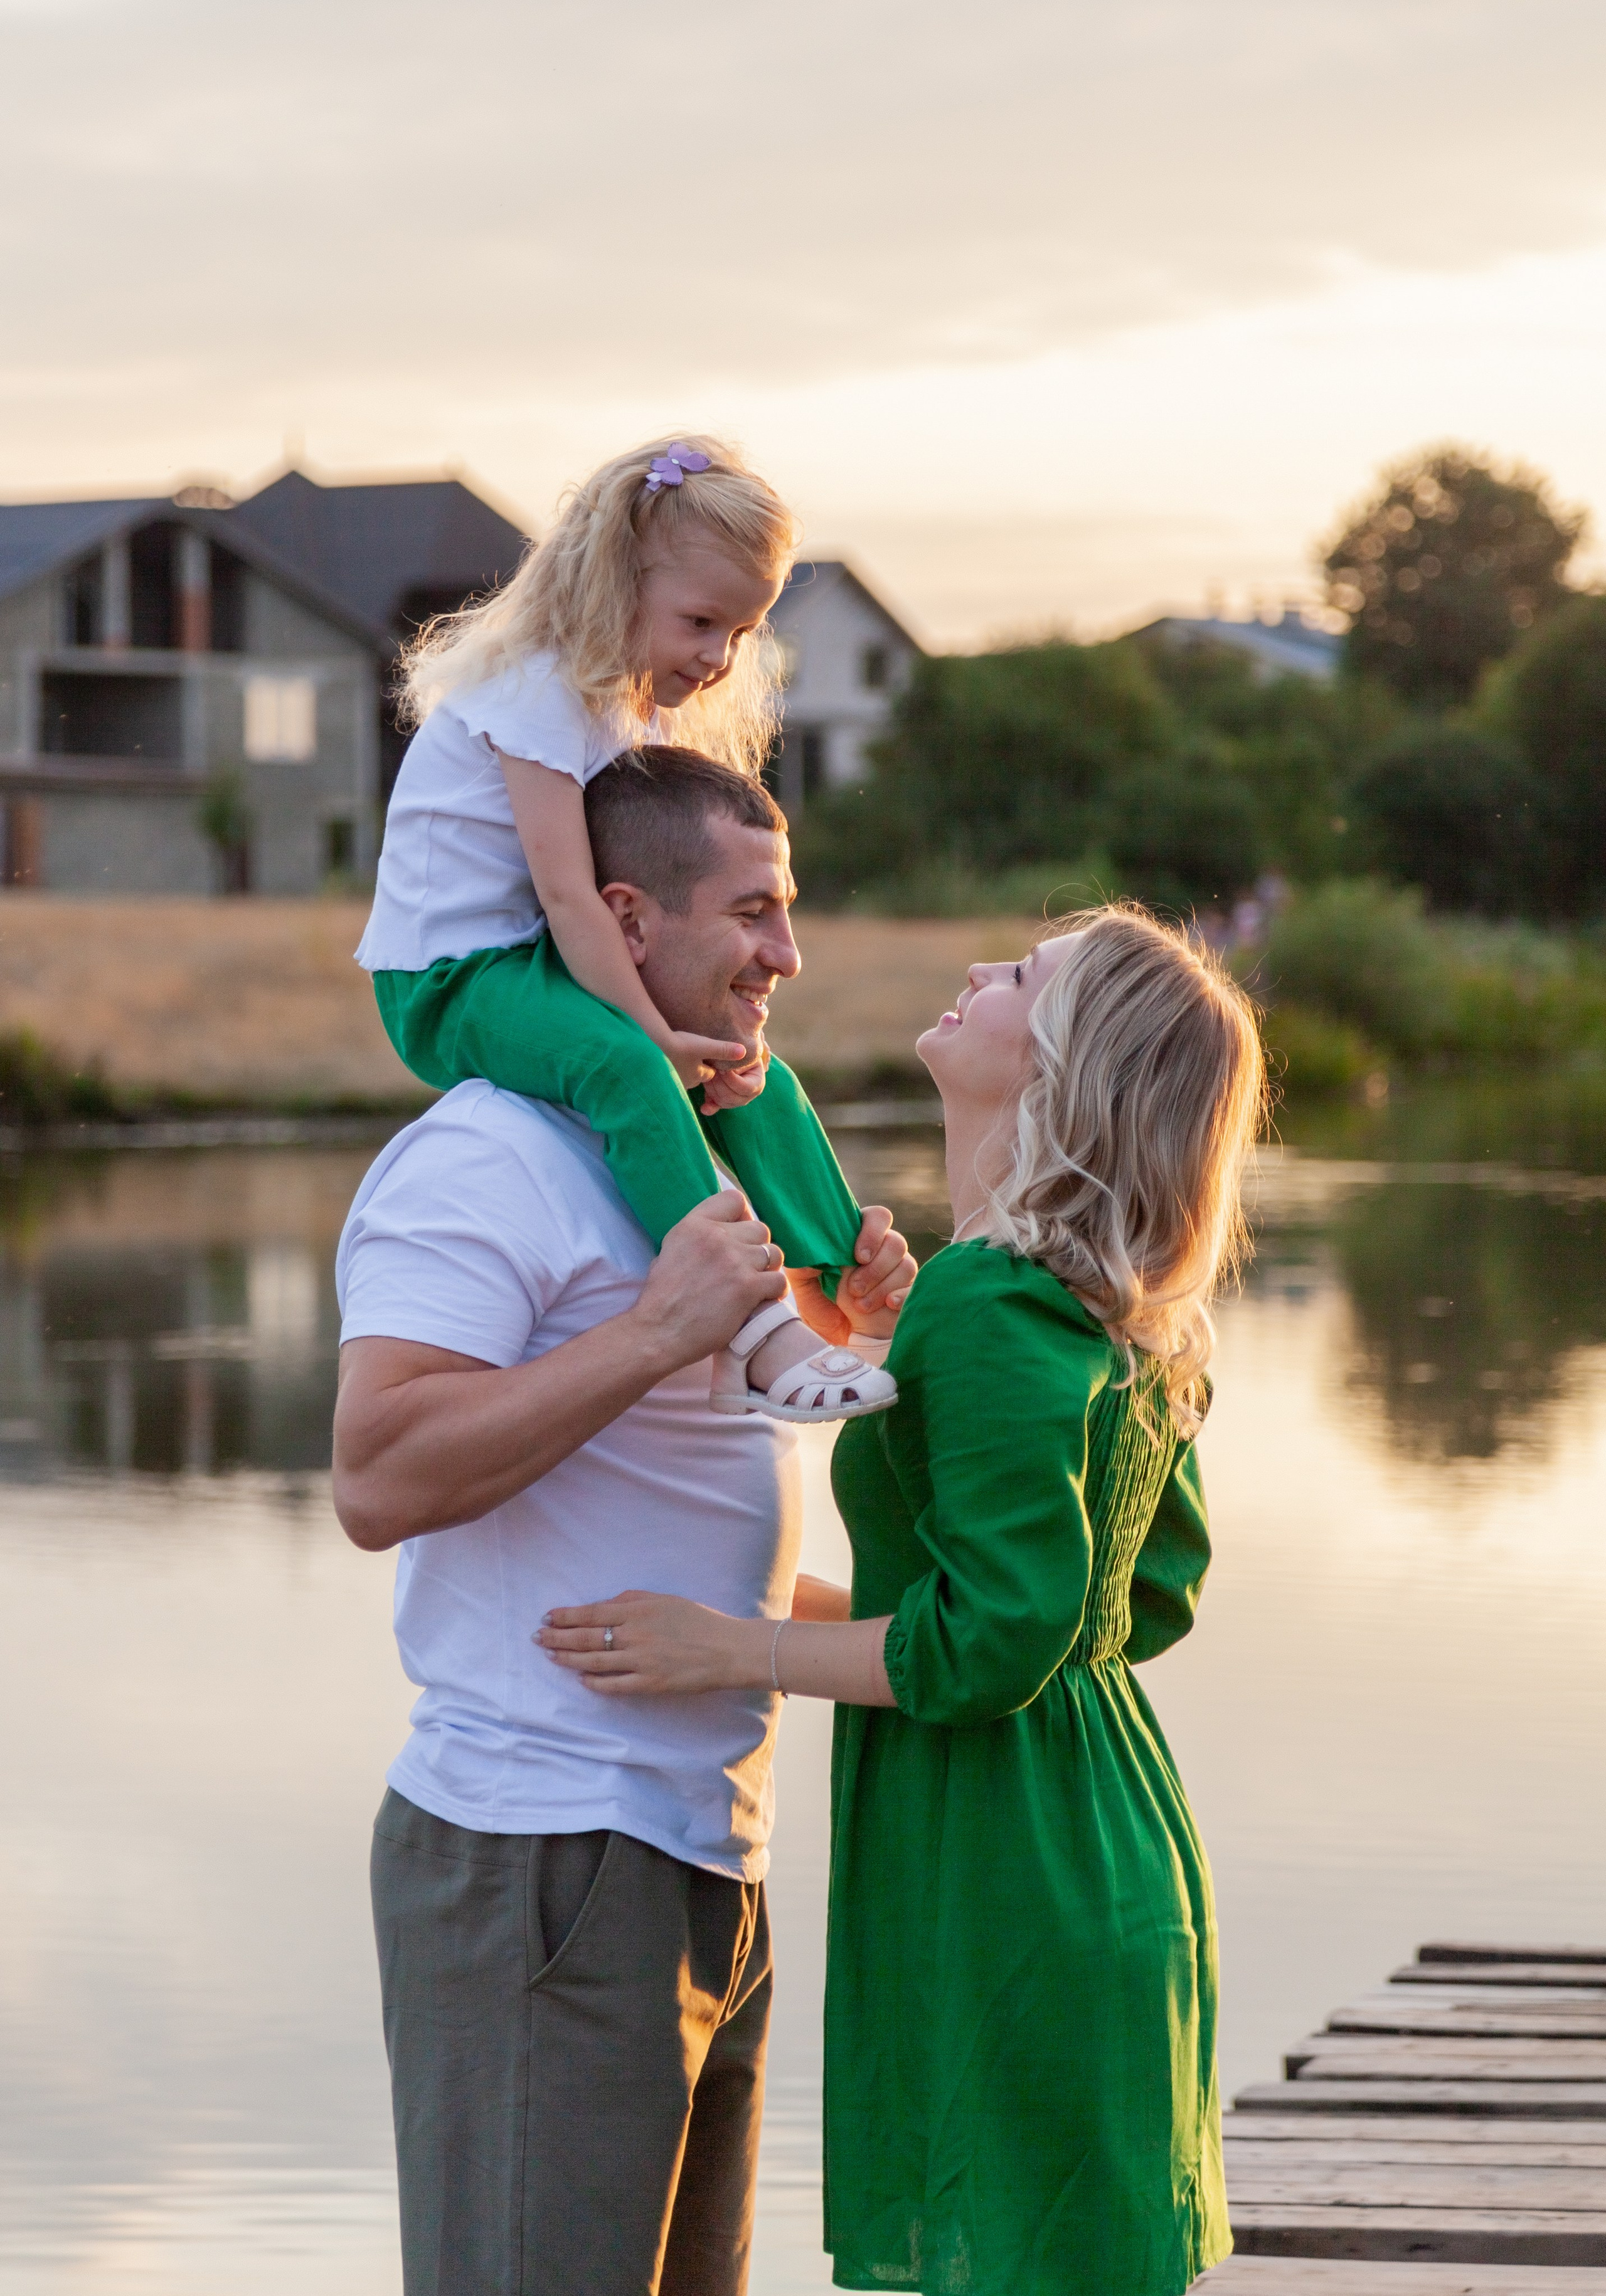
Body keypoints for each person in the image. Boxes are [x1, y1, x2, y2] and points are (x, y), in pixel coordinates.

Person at [540, 904, 1268, 2296]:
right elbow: (1137, 1597)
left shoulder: (992, 1305)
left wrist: (734, 1646)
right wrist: (879, 1368)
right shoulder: (1083, 1306)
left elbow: (996, 1633)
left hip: (1009, 1866)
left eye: (1018, 979)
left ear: (1063, 1067)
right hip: (1107, 1831)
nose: (977, 973)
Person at [332, 747, 917, 2296]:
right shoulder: (485, 1154)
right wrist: (654, 1335)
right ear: (623, 919)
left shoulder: (705, 1153)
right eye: (755, 913)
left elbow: (674, 1512)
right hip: (539, 1848)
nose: (787, 955)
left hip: (705, 1852)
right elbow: (376, 1477)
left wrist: (850, 1350)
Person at [354, 433, 895, 1424]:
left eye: (743, 632)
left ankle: (843, 1275)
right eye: (700, 621)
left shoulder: (630, 710)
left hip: (544, 962)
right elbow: (570, 896)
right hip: (452, 977)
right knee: (630, 1067)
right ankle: (758, 1329)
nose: (719, 656)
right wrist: (653, 1038)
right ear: (618, 582)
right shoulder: (539, 692)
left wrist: (707, 1044)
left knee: (740, 1056)